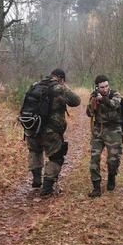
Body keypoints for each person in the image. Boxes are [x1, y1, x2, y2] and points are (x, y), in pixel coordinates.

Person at [25, 68, 81, 196]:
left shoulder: (35, 85)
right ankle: (47, 187)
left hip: (31, 127)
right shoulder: (59, 88)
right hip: (50, 131)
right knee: (56, 157)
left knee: (34, 151)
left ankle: (36, 180)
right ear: (61, 79)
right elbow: (76, 101)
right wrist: (63, 86)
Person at [86, 75, 123, 197]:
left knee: (113, 158)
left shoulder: (115, 94)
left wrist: (103, 99)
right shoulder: (94, 95)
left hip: (114, 129)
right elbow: (89, 113)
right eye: (102, 87)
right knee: (94, 157)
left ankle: (111, 177)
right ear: (97, 87)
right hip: (99, 129)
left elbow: (115, 105)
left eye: (106, 86)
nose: (105, 89)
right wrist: (93, 103)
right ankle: (96, 186)